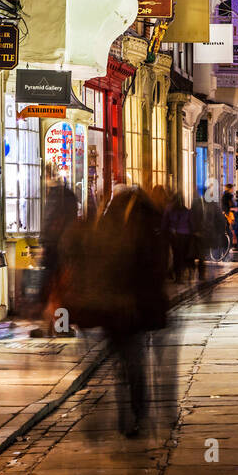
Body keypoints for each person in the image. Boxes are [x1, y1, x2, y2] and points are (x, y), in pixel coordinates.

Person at [94, 183, 171, 438]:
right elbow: (160, 265)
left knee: (125, 362)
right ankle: (138, 412)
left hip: (119, 306)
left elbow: (103, 262)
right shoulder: (152, 223)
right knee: (134, 361)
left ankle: (130, 412)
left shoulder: (111, 224)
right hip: (138, 306)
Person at [37, 164, 79, 334]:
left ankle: (56, 326)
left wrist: (43, 244)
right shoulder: (67, 196)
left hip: (55, 249)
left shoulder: (55, 197)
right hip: (64, 248)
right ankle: (53, 326)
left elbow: (49, 224)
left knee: (55, 290)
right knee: (58, 290)